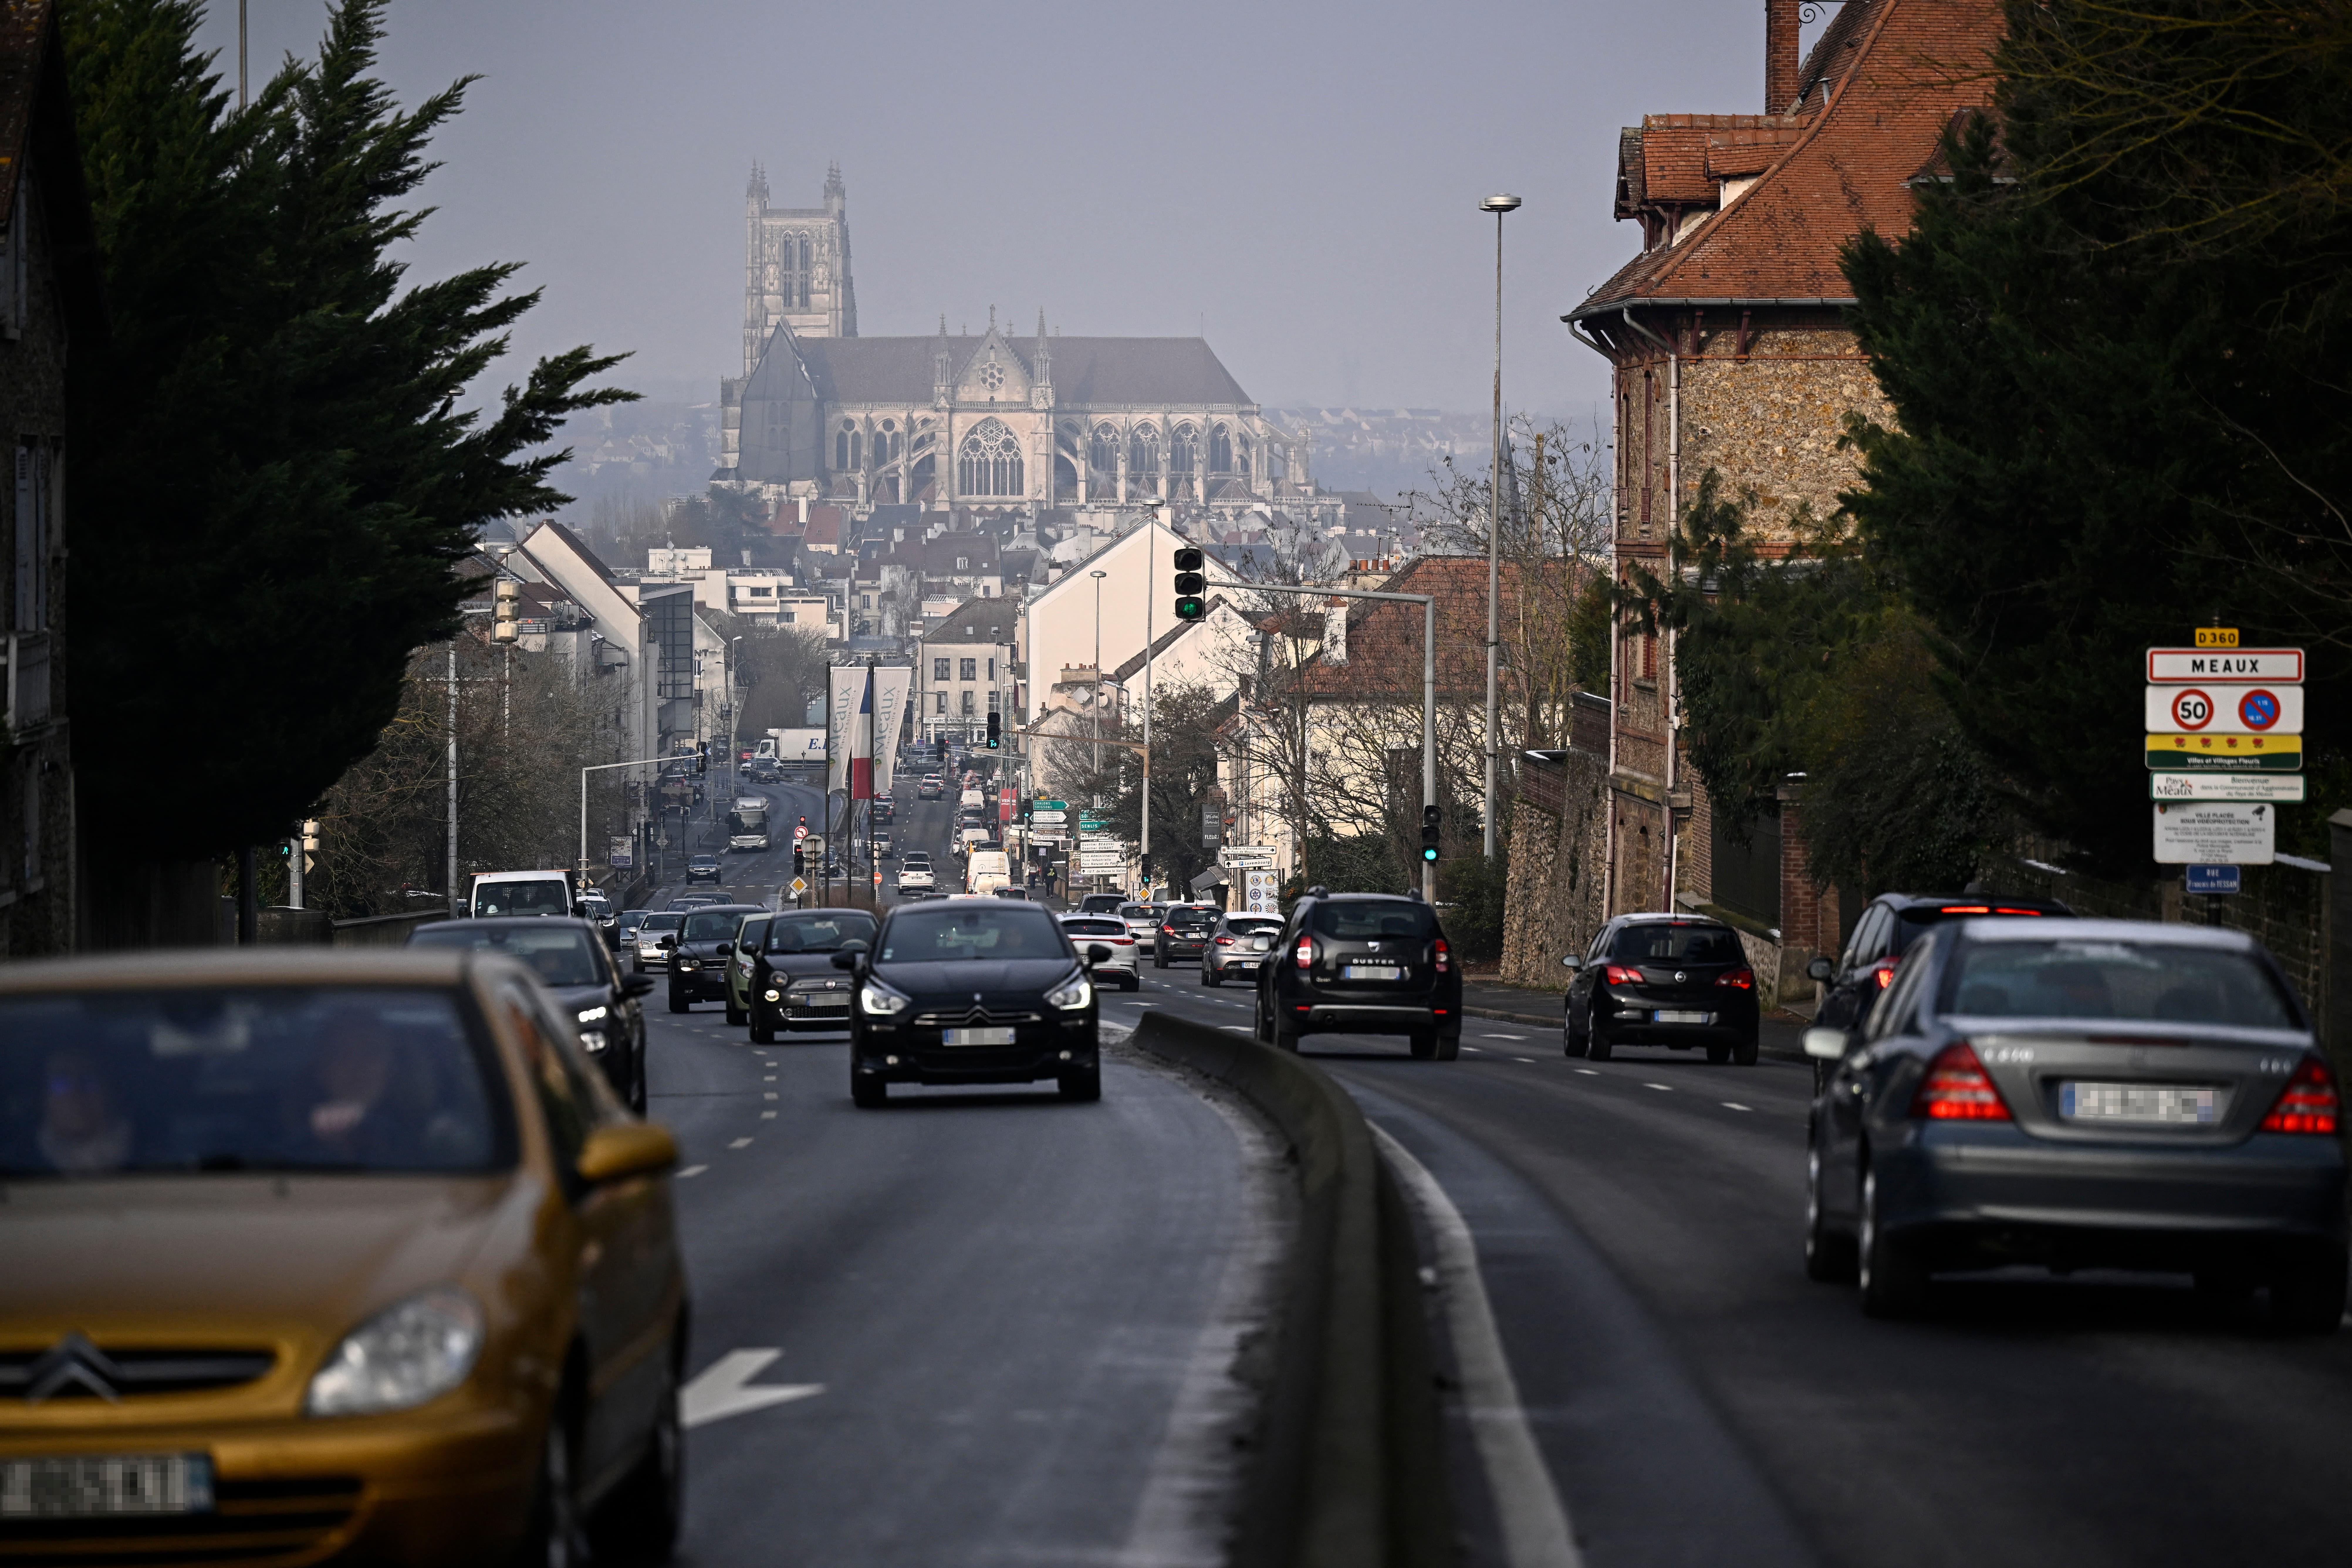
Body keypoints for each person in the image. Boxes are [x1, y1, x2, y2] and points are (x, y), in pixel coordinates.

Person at [38, 1048, 133, 1174]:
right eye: (62, 1084)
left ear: (108, 1093)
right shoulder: (21, 1163)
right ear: (45, 1098)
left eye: (87, 1082)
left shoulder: (150, 1158)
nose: (75, 1094)